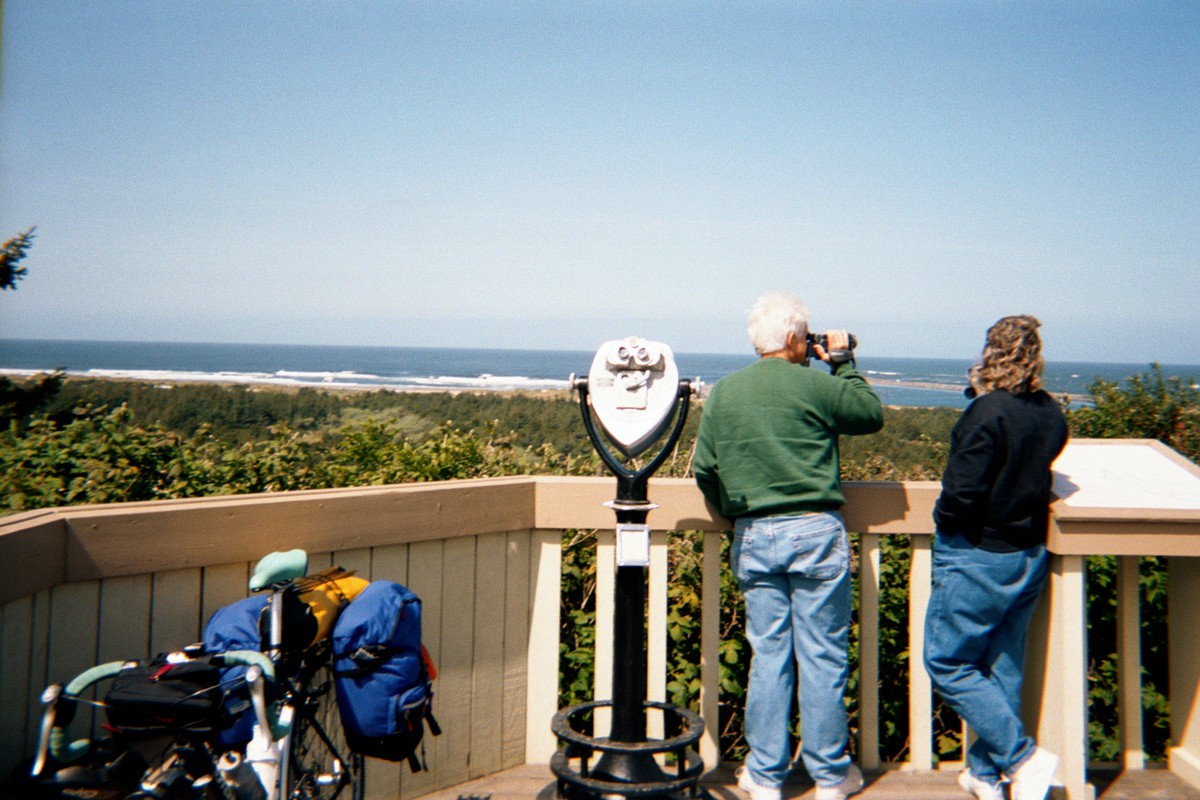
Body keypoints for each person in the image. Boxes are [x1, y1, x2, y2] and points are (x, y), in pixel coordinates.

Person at [694, 292, 883, 800]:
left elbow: (704, 470)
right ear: (797, 339)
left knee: (770, 654)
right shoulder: (813, 385)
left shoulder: (726, 392)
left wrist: (736, 513)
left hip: (755, 532)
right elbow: (869, 414)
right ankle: (828, 776)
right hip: (816, 532)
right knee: (822, 655)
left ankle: (765, 775)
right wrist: (841, 364)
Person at [922, 315, 1070, 800]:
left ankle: (1023, 757)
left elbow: (962, 491)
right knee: (1002, 666)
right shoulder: (1050, 412)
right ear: (1034, 356)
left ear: (990, 353)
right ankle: (986, 777)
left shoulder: (987, 413)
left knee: (946, 662)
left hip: (977, 554)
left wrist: (945, 522)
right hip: (1028, 554)